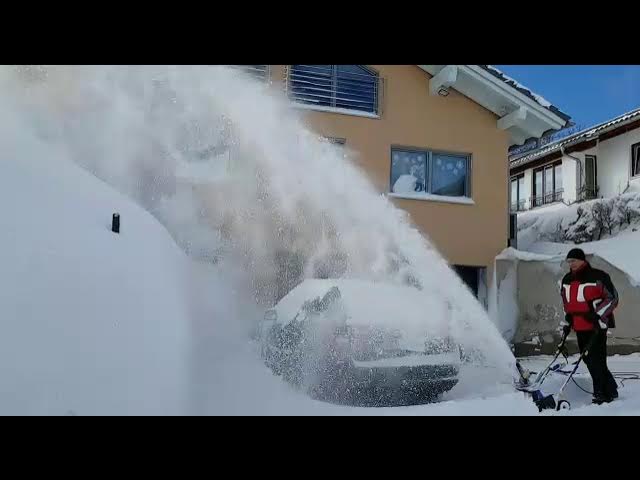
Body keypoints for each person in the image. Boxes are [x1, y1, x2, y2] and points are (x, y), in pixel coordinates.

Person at [559, 248, 619, 404]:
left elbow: (612, 298)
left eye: (573, 261)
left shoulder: (598, 276)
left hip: (596, 326)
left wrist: (598, 314)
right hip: (579, 326)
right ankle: (610, 389)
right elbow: (566, 301)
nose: (571, 264)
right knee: (587, 359)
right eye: (569, 261)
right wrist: (569, 317)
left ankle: (600, 393)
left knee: (597, 360)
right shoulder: (567, 279)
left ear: (582, 260)